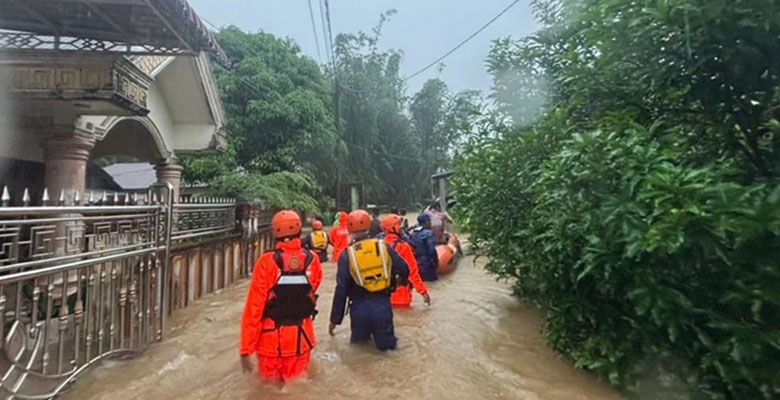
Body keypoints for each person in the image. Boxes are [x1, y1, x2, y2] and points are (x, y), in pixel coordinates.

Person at [240, 210, 323, 383]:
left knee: (268, 390)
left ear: (274, 231)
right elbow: (312, 288)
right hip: (301, 338)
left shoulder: (265, 262)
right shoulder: (313, 259)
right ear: (299, 230)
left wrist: (246, 348)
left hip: (270, 341)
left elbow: (254, 308)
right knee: (297, 388)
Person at [329, 210, 410, 351]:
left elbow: (341, 289)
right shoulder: (383, 246)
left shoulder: (346, 255)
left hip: (358, 309)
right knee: (388, 351)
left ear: (349, 229)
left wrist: (335, 320)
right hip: (382, 306)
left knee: (360, 350)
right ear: (369, 226)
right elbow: (404, 268)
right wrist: (399, 282)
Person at [381, 214, 430, 308]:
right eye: (399, 225)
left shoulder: (378, 246)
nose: (401, 228)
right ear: (393, 228)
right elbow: (413, 271)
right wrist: (423, 292)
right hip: (401, 296)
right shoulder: (403, 247)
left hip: (382, 297)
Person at [411, 213, 439, 282]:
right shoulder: (427, 233)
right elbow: (432, 250)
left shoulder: (413, 233)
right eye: (429, 221)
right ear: (426, 222)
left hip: (416, 266)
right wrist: (436, 262)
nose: (430, 223)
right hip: (427, 265)